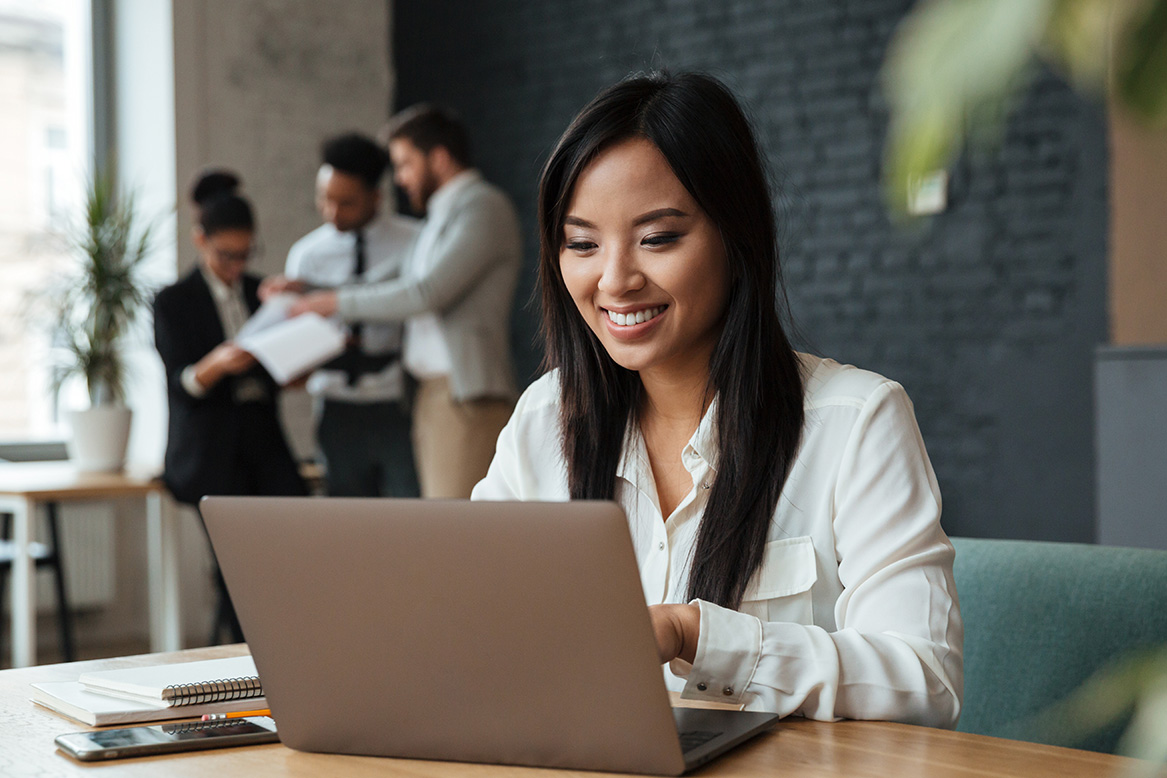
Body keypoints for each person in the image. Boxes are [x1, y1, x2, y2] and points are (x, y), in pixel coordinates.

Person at [471, 72, 963, 727]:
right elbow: (470, 626)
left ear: (735, 238)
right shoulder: (545, 418)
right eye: (582, 243)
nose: (614, 279)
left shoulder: (856, 422)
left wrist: (692, 634)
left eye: (657, 238)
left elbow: (925, 682)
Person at [290, 106, 521, 499]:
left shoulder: (483, 207)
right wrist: (307, 291)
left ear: (440, 158)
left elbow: (426, 293)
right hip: (433, 395)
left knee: (452, 534)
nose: (398, 178)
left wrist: (332, 302)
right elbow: (390, 279)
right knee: (437, 528)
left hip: (465, 394)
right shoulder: (438, 217)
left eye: (405, 164)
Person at [154, 173, 307, 642]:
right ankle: (248, 665)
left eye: (246, 254)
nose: (237, 266)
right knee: (237, 570)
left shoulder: (262, 291)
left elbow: (278, 372)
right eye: (226, 255)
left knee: (294, 551)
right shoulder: (173, 301)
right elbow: (180, 385)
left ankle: (285, 651)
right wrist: (217, 364)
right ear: (200, 241)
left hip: (264, 443)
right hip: (210, 449)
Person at [264, 133, 421, 497]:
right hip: (334, 409)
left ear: (376, 197)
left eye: (346, 203)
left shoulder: (414, 241)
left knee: (408, 521)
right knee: (344, 526)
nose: (332, 213)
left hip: (398, 404)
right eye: (325, 200)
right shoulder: (306, 254)